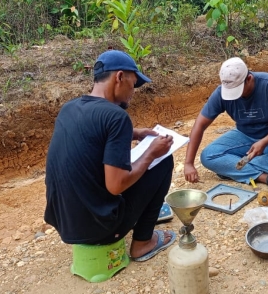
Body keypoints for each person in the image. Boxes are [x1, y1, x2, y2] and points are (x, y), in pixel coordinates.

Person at [44, 50, 177, 262]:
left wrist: (134, 133)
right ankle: (143, 243)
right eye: (133, 85)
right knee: (162, 161)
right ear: (120, 77)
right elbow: (116, 186)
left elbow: (90, 136)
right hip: (100, 230)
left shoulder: (69, 108)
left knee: (132, 162)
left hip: (66, 224)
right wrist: (151, 153)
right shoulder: (116, 116)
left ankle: (138, 217)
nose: (133, 92)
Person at [184, 57, 268, 190]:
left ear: (249, 79)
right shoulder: (221, 92)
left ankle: (232, 167)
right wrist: (188, 163)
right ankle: (264, 177)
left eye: (238, 91)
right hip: (245, 136)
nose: (236, 96)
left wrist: (264, 142)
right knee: (208, 156)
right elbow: (199, 125)